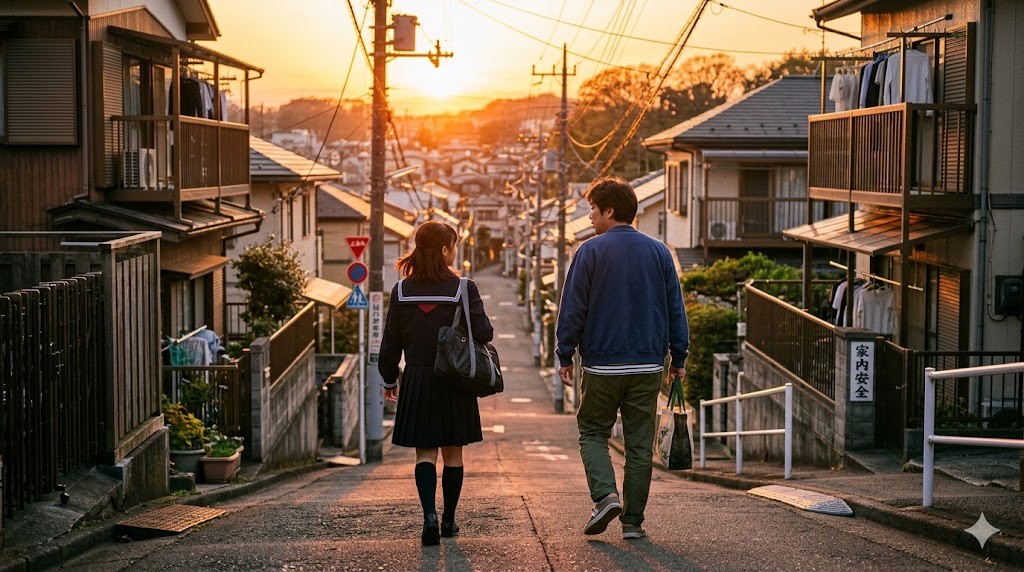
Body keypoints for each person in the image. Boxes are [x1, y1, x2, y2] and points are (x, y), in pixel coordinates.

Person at [555, 176, 689, 540]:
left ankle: (605, 496)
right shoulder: (660, 251)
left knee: (594, 431)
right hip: (648, 363)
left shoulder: (590, 251)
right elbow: (676, 309)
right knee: (639, 443)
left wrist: (564, 352)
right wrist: (679, 357)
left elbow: (573, 308)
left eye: (593, 211)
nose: (589, 218)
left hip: (602, 363)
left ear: (609, 211)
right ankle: (632, 522)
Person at [378, 220, 494, 546]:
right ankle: (449, 520)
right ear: (445, 249)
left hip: (416, 377)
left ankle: (428, 516)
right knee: (453, 454)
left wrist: (390, 379)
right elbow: (484, 334)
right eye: (453, 245)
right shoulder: (463, 288)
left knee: (424, 453)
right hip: (454, 378)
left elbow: (390, 344)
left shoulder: (400, 290)